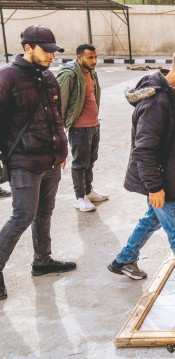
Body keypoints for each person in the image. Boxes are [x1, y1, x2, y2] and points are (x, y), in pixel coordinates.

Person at [107, 46, 175, 301]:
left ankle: (124, 260)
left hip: (167, 174)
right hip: (160, 179)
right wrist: (154, 187)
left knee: (153, 219)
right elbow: (143, 150)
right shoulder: (157, 101)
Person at [0, 25, 76, 301]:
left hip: (51, 159)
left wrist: (62, 148)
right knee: (22, 216)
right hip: (23, 162)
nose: (52, 57)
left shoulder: (47, 77)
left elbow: (55, 115)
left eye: (54, 51)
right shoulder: (7, 78)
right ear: (28, 48)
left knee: (45, 213)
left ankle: (42, 260)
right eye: (47, 51)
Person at [57, 43, 108, 212]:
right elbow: (60, 102)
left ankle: (88, 191)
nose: (94, 61)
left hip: (93, 125)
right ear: (79, 57)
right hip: (79, 127)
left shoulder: (91, 74)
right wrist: (60, 127)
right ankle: (79, 197)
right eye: (90, 57)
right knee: (80, 163)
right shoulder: (70, 75)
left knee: (90, 161)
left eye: (95, 57)